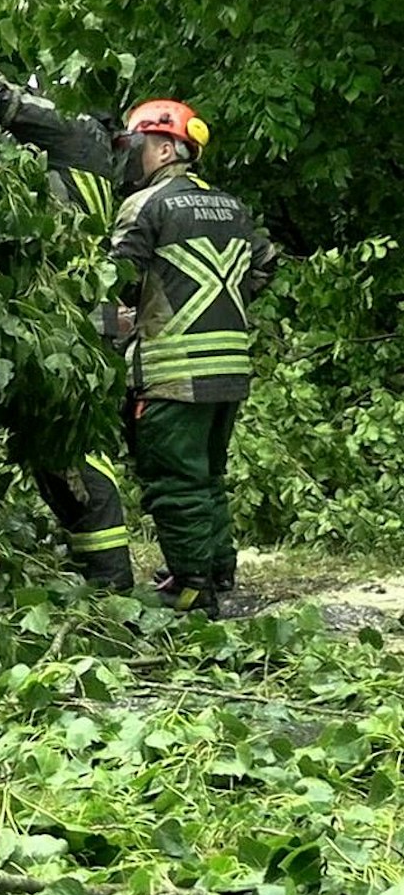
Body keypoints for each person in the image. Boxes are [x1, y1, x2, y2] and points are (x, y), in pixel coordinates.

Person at [0, 8, 135, 590]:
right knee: (50, 452)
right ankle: (97, 574)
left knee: (73, 451)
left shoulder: (72, 130)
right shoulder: (79, 149)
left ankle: (111, 583)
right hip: (62, 318)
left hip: (68, 323)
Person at [110, 99, 277, 614]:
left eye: (135, 146)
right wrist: (229, 308)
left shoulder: (145, 207)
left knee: (175, 484)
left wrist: (106, 340)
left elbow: (114, 284)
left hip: (173, 371)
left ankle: (192, 587)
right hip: (230, 367)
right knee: (208, 477)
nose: (129, 157)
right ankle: (218, 570)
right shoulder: (232, 206)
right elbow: (267, 263)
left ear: (163, 147)